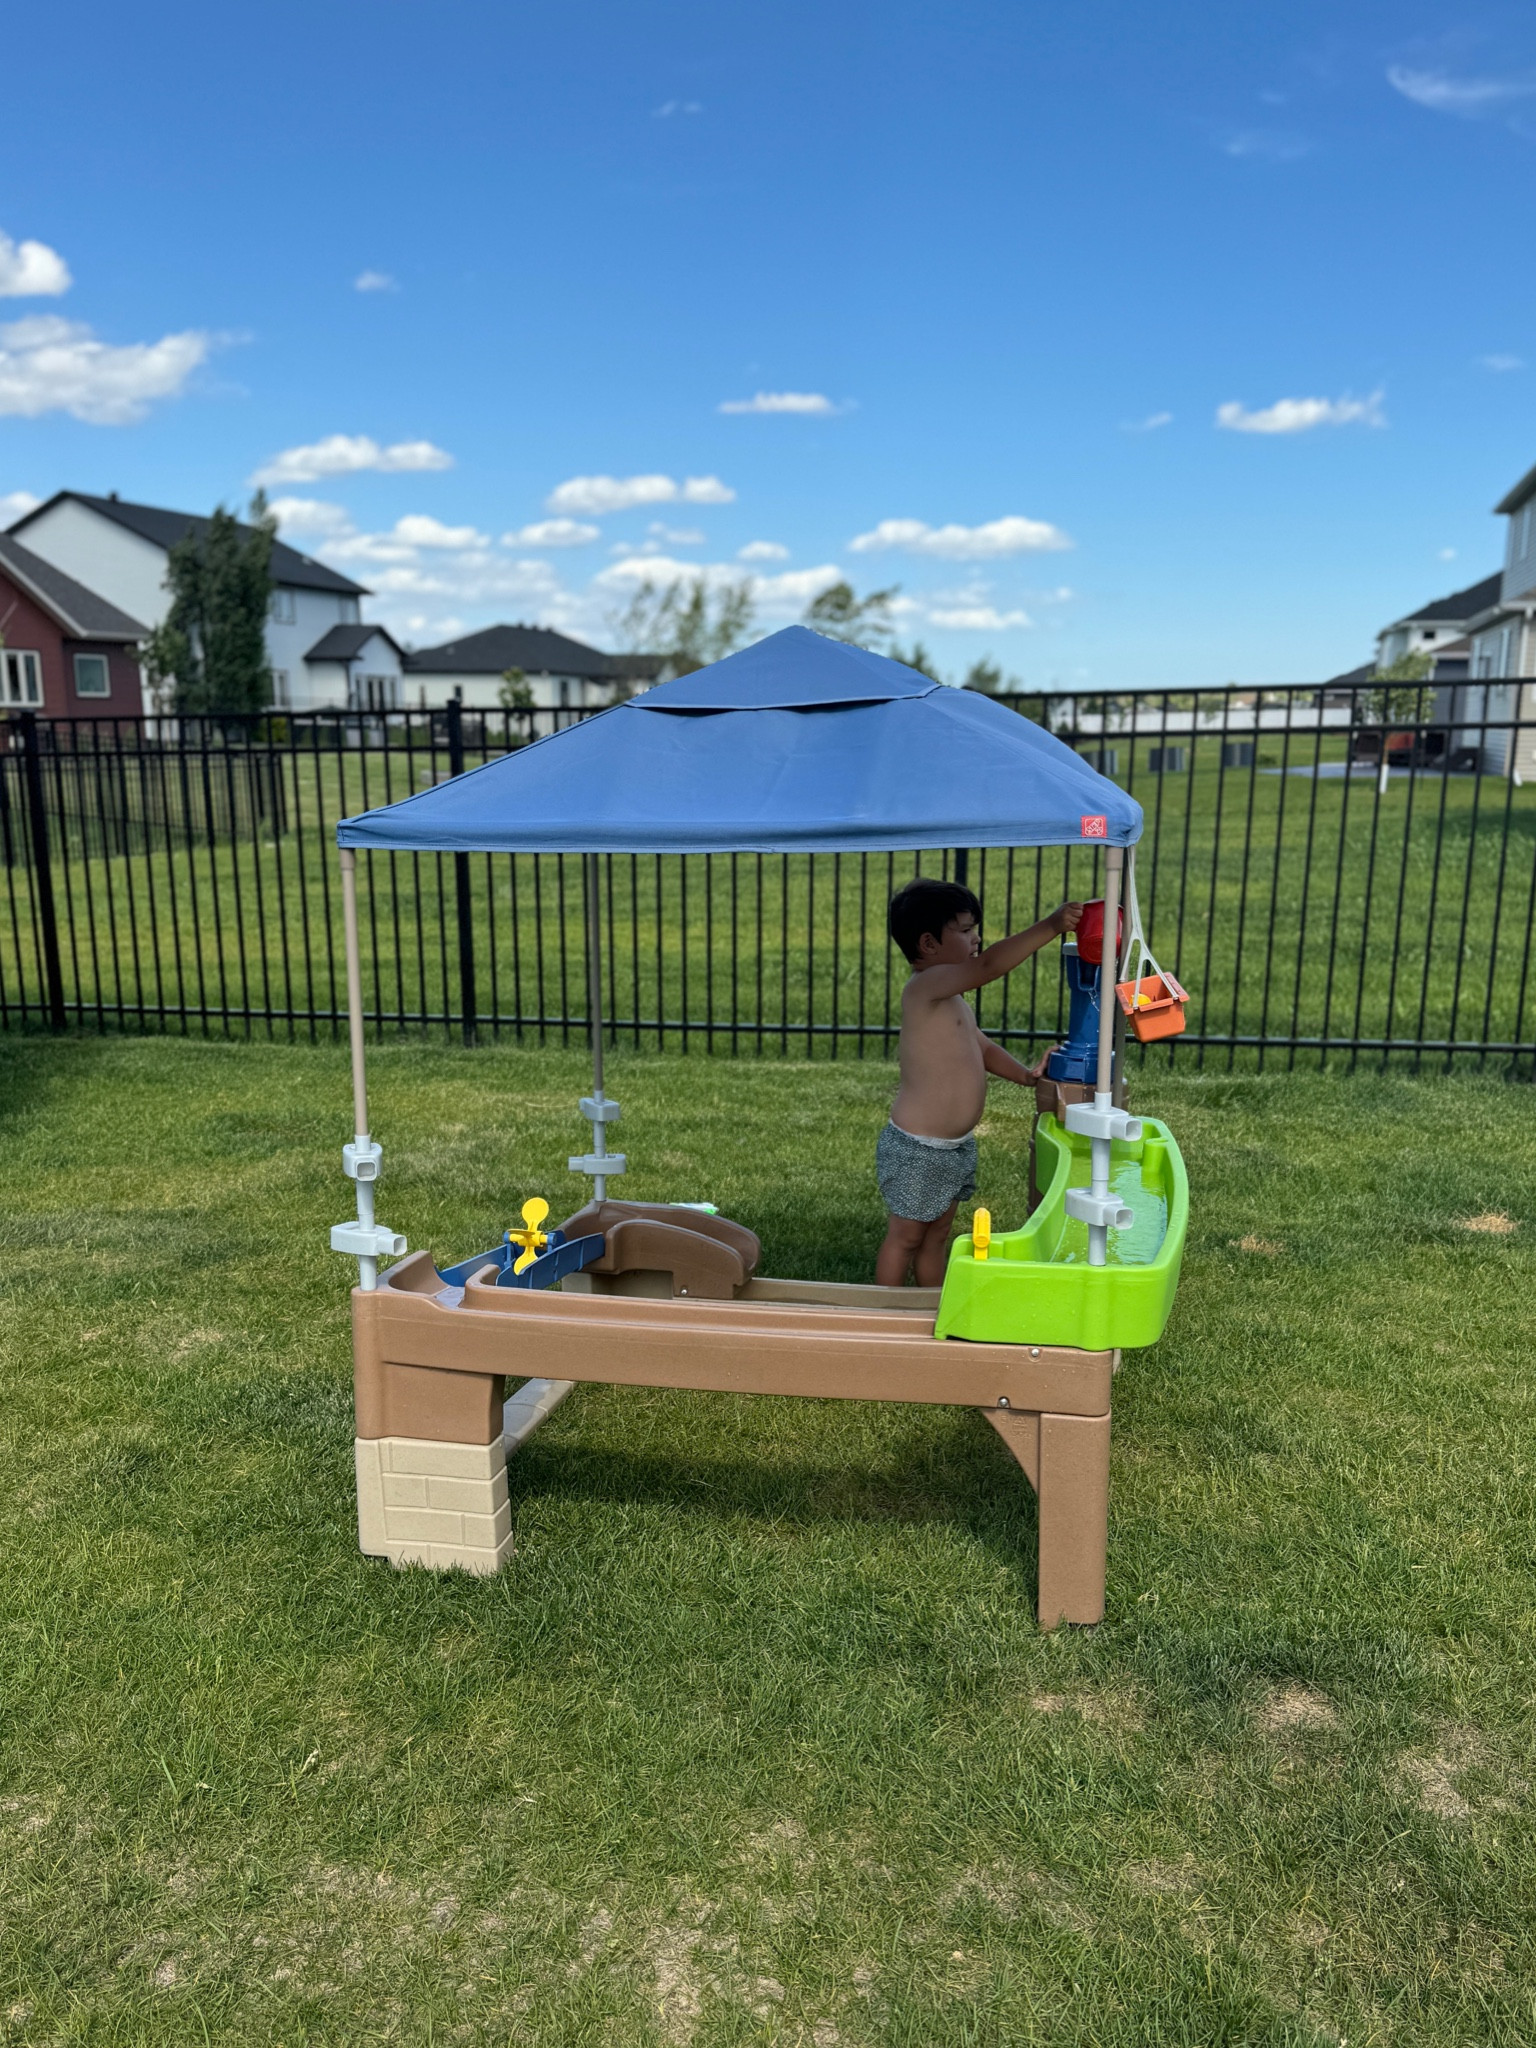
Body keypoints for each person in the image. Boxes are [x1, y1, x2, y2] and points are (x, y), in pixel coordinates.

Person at [875, 877, 1083, 1287]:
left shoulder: (952, 1001)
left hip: (951, 1149)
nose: (977, 938)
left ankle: (930, 1307)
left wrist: (1025, 1075)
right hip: (918, 1149)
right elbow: (987, 967)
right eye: (966, 930)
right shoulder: (925, 989)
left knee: (935, 1236)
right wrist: (1051, 926)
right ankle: (883, 1316)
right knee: (906, 1237)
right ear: (929, 944)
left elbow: (983, 1049)